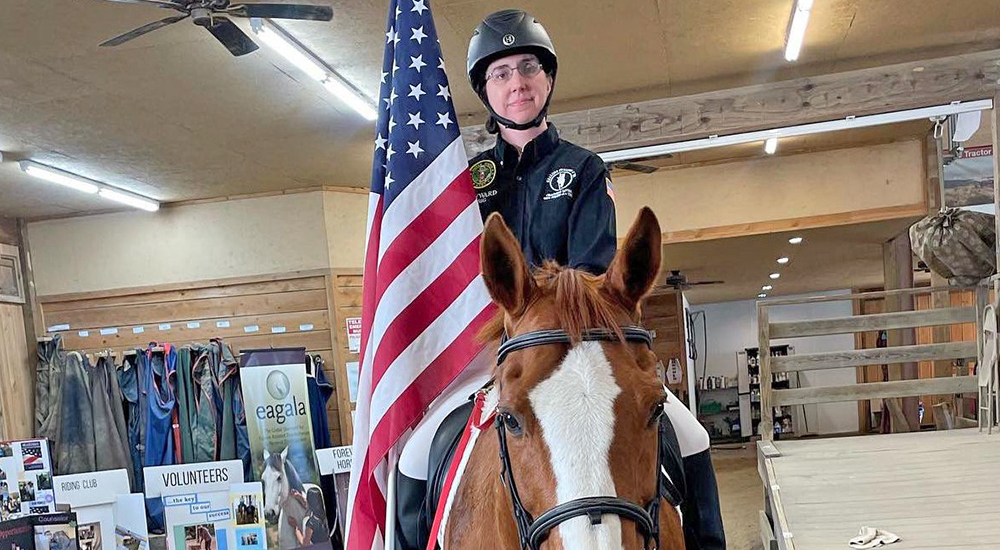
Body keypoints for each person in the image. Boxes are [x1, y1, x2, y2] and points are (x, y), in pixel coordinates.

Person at [395, 9, 726, 550]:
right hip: (489, 355)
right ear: (486, 89)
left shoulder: (585, 169)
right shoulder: (463, 183)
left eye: (527, 67)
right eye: (500, 74)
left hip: (580, 347)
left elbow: (594, 272)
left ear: (546, 78)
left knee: (691, 435)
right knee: (414, 454)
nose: (517, 83)